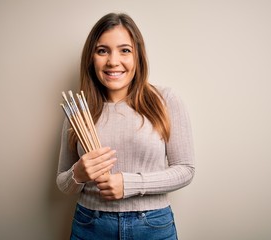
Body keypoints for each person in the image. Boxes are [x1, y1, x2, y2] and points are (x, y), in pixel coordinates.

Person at [56, 12, 195, 240]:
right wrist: (78, 174)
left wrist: (129, 183)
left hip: (152, 225)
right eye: (102, 51)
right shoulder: (79, 110)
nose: (113, 61)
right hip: (91, 224)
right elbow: (62, 181)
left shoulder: (166, 100)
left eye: (125, 50)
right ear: (91, 58)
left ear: (138, 56)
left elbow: (186, 170)